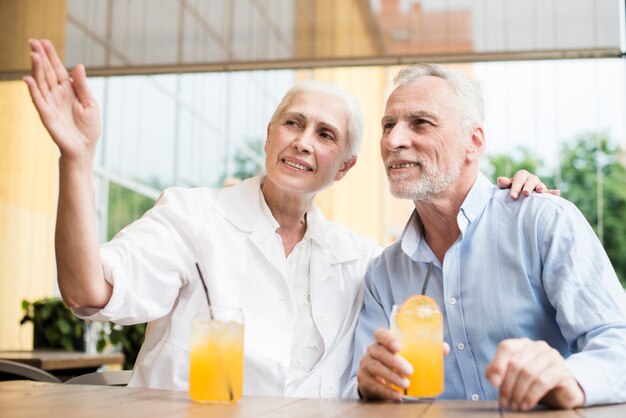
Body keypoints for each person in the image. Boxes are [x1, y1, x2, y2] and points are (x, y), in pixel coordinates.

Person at [24, 39, 551, 398]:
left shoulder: (362, 258)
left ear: (343, 168)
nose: (302, 140)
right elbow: (88, 291)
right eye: (292, 123)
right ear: (269, 135)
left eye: (325, 134)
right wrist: (77, 160)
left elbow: (448, 280)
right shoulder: (191, 217)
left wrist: (502, 200)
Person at [344, 63, 626, 410]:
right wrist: (367, 384)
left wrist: (572, 378)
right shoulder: (382, 274)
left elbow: (618, 344)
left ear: (473, 142)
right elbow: (359, 386)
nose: (393, 140)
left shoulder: (542, 222)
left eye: (421, 123)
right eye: (388, 125)